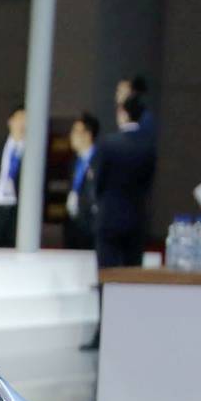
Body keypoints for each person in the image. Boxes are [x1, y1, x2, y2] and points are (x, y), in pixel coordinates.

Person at [85, 92, 157, 270]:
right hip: (136, 218)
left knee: (107, 273)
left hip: (109, 217)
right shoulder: (148, 147)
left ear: (122, 112)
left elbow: (98, 181)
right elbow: (148, 183)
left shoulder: (108, 144)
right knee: (132, 276)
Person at [0, 105, 26, 247]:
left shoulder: (32, 151)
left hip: (17, 211)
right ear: (10, 121)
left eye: (26, 119)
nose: (22, 123)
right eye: (19, 118)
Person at [64, 112, 101, 250]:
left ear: (88, 135)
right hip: (73, 223)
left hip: (91, 225)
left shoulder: (99, 160)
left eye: (76, 131)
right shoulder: (74, 162)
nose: (72, 135)